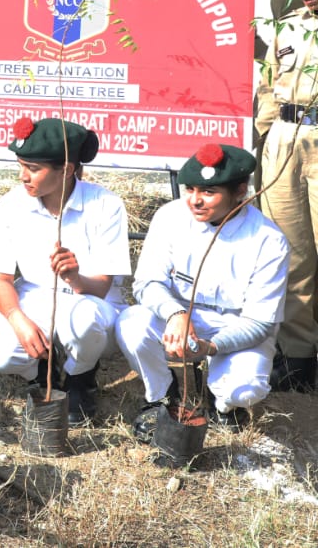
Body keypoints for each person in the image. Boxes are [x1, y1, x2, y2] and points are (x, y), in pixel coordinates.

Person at [117, 144, 288, 437]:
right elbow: (146, 282)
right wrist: (175, 313)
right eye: (191, 189)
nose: (195, 200)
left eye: (208, 192)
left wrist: (210, 348)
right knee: (132, 324)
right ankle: (161, 396)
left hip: (234, 324)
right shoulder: (170, 217)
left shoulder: (269, 240)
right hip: (180, 317)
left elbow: (260, 323)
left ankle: (222, 404)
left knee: (246, 390)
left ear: (240, 191)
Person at [0, 117, 131, 425]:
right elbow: (0, 279)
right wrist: (18, 320)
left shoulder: (105, 204)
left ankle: (80, 377)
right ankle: (42, 371)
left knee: (84, 322)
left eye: (33, 169)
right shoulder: (11, 204)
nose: (23, 176)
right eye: (20, 165)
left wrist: (75, 277)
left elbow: (101, 287)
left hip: (89, 300)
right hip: (35, 295)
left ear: (67, 170)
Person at [257, 0, 318, 392]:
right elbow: (268, 84)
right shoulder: (289, 25)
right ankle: (297, 358)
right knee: (292, 253)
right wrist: (265, 135)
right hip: (284, 141)